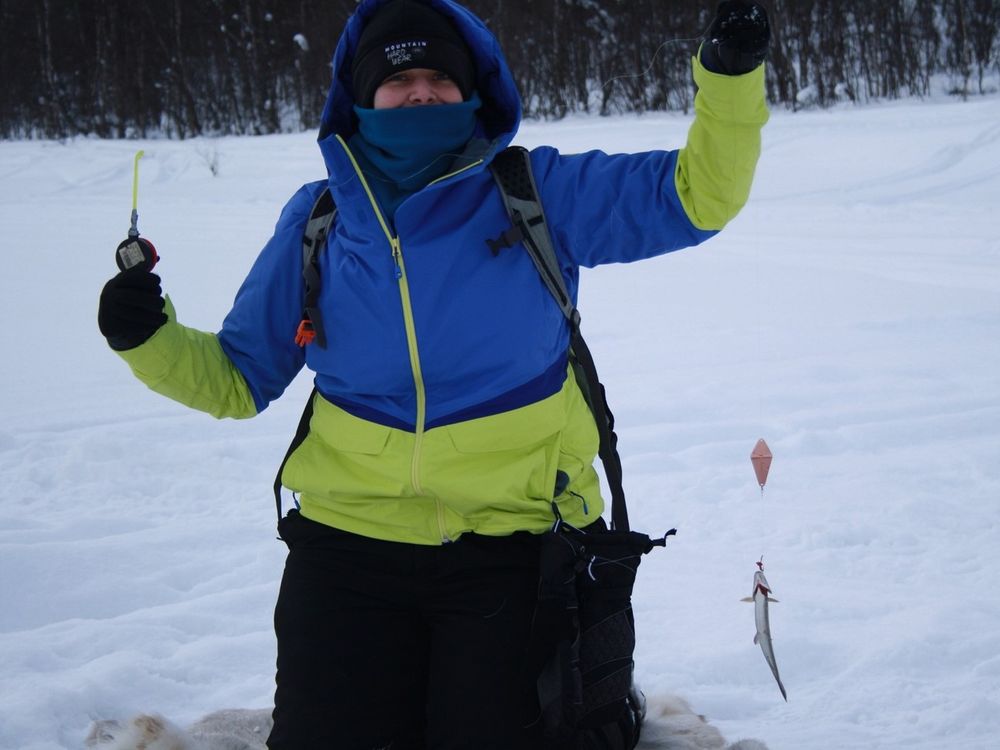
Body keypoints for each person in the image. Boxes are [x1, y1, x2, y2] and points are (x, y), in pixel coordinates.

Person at [97, 0, 771, 747]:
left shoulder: (537, 192)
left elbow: (698, 197)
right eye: (398, 78)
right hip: (349, 541)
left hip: (516, 538)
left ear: (473, 90)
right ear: (360, 98)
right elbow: (235, 378)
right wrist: (146, 337)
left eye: (439, 78)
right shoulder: (317, 220)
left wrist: (731, 77)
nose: (420, 91)